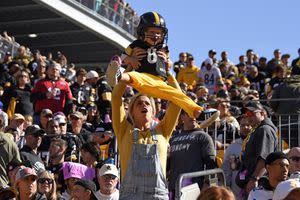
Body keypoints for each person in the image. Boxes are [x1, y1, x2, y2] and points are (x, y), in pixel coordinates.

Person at [106, 11, 203, 120]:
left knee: (178, 95)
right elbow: (123, 56)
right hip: (144, 77)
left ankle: (197, 111)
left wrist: (167, 62)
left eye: (159, 33)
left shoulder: (164, 48)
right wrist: (131, 59)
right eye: (152, 32)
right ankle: (117, 75)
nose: (156, 36)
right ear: (142, 31)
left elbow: (169, 65)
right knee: (134, 76)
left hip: (160, 81)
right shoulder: (136, 45)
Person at [111, 62, 181, 199]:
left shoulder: (163, 130)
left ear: (153, 111)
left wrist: (167, 73)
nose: (144, 105)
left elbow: (178, 99)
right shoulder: (123, 130)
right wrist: (129, 70)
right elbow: (115, 97)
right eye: (139, 103)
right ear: (131, 111)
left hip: (158, 196)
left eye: (147, 103)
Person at [168, 110, 217, 200]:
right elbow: (167, 166)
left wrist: (207, 186)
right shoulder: (173, 139)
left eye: (194, 113)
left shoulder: (202, 136)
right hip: (173, 189)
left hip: (193, 189)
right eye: (188, 113)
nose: (192, 116)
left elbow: (212, 165)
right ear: (182, 117)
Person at [236, 101, 278, 195]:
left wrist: (254, 179)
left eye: (251, 113)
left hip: (260, 184)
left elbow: (264, 158)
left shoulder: (264, 130)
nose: (248, 117)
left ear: (262, 113)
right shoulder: (257, 129)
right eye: (246, 114)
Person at [222, 117, 252, 199]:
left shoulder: (258, 145)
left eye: (248, 125)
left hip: (253, 189)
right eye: (242, 125)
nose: (245, 128)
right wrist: (226, 187)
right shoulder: (232, 147)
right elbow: (226, 169)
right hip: (236, 191)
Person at [0, 116, 21, 186]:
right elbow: (18, 168)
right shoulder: (12, 144)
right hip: (4, 186)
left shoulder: (11, 144)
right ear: (3, 127)